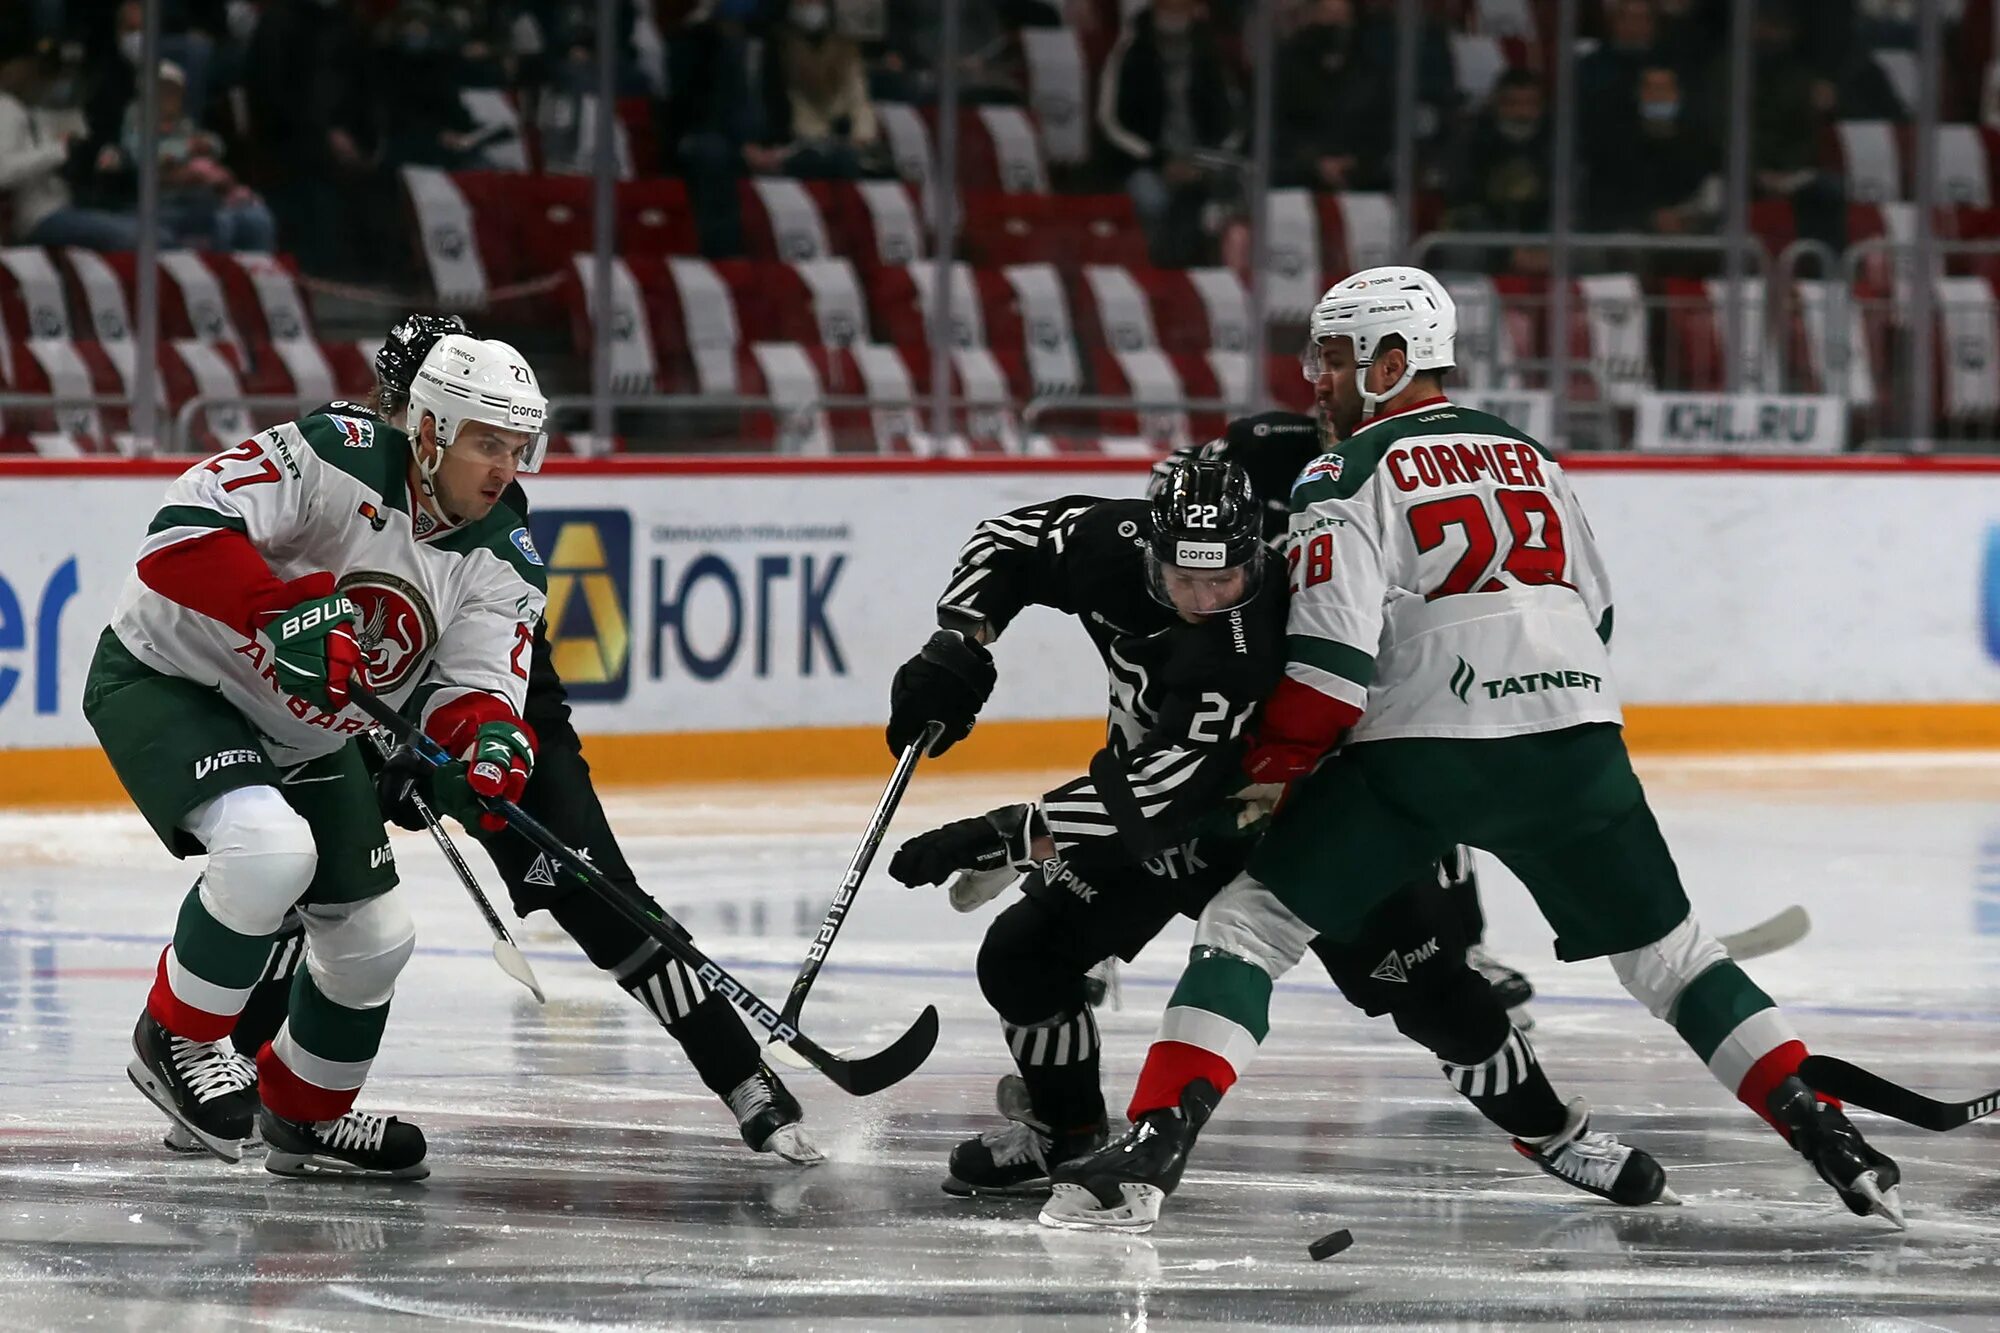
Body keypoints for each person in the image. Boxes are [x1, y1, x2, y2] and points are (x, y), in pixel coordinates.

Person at [1039, 267, 1904, 1233]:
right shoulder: (1534, 455)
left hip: (1423, 757)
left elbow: (1326, 674)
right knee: (1674, 957)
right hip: (1579, 744)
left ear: (1390, 360)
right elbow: (1599, 614)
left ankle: (1152, 1148)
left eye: (1332, 357)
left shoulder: (1345, 471)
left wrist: (1254, 779)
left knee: (1249, 924)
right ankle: (1828, 1132)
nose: (1316, 379)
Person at [883, 442, 1667, 1208]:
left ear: (1254, 557)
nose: (1204, 597)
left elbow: (1164, 785)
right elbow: (1014, 540)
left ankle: (1554, 1133)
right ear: (1147, 549)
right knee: (1025, 957)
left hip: (1307, 825)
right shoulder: (1108, 544)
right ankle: (1067, 1131)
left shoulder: (1244, 640)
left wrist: (1010, 830)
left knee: (1440, 998)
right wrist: (961, 638)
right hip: (1176, 829)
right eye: (1183, 577)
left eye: (1223, 577)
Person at [164, 313, 822, 1167]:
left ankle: (745, 1077)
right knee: (310, 887)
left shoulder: (488, 501)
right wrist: (381, 749)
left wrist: (449, 745)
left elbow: (481, 674)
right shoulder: (351, 468)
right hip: (372, 708)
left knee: (599, 893)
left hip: (502, 719)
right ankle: (229, 1084)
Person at [85, 332, 554, 1179]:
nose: (504, 468)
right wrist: (277, 610)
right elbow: (179, 533)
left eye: (518, 449)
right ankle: (177, 1038)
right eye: (489, 441)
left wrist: (485, 744)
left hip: (308, 734)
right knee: (269, 851)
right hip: (176, 680)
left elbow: (475, 688)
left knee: (377, 937)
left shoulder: (503, 552)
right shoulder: (336, 453)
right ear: (433, 429)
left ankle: (301, 1114)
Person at [119, 60, 277, 252]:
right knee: (220, 223)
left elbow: (214, 144)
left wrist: (206, 146)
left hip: (202, 195)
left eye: (174, 92)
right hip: (165, 202)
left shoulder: (183, 124)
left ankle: (259, 274)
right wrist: (186, 150)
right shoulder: (137, 123)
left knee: (258, 218)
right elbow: (144, 159)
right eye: (163, 91)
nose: (169, 98)